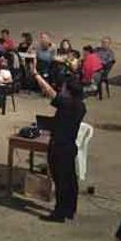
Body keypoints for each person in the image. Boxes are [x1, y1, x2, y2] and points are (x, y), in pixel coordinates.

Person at [32, 63, 86, 222]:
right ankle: (70, 209)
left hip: (60, 147)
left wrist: (36, 75)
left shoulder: (68, 104)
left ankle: (59, 213)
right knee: (70, 180)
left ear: (69, 91)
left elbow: (50, 93)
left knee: (61, 181)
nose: (61, 90)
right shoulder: (80, 106)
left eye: (63, 88)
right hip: (69, 146)